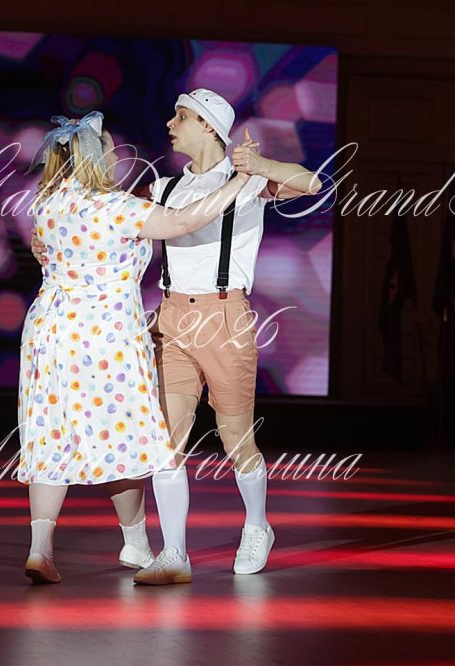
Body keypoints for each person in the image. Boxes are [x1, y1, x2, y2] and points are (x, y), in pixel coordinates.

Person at [34, 90, 320, 585]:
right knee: (167, 443)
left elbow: (312, 182)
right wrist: (47, 240)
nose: (170, 123)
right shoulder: (162, 188)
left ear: (209, 126)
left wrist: (260, 165)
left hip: (225, 316)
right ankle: (174, 554)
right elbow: (103, 220)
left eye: (181, 116)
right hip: (171, 318)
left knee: (235, 436)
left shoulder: (249, 182)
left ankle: (257, 525)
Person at [19, 111, 251, 584]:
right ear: (95, 156)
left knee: (50, 436)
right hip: (105, 337)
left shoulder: (46, 203)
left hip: (49, 335)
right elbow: (185, 221)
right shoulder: (117, 208)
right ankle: (136, 541)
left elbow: (45, 247)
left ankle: (42, 549)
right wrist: (240, 181)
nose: (115, 153)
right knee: (126, 439)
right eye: (108, 146)